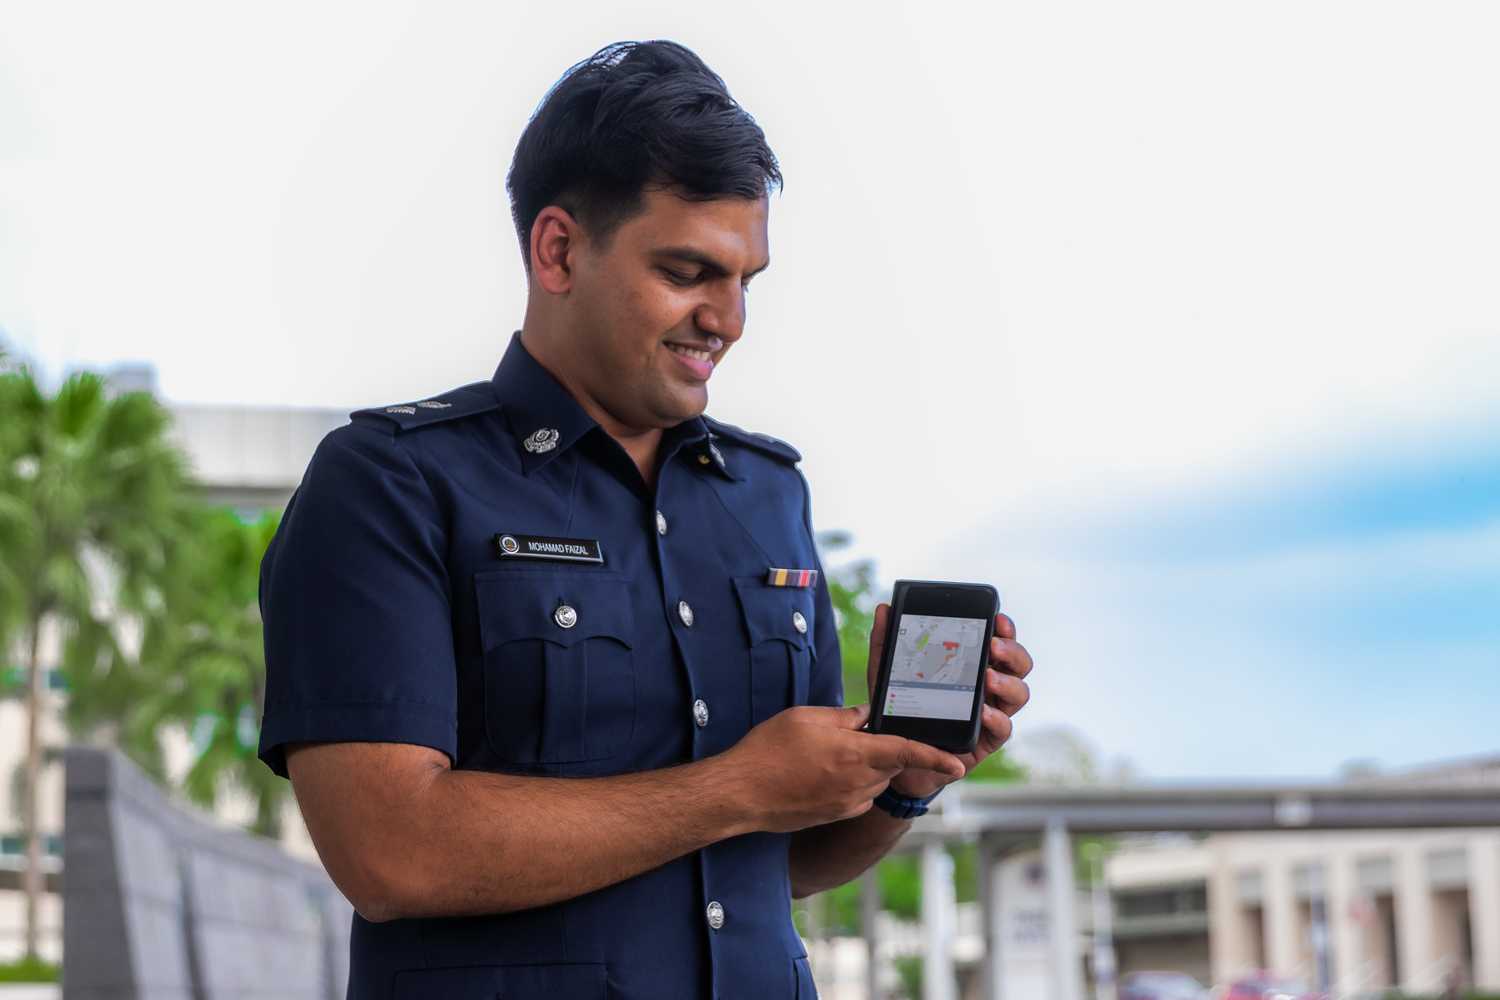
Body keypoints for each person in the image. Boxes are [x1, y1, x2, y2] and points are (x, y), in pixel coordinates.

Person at [256, 39, 1034, 1000]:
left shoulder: (767, 493)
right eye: (688, 271)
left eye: (747, 279)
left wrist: (906, 772)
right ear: (558, 249)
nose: (729, 319)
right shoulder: (391, 483)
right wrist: (739, 785)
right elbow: (391, 854)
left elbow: (783, 858)